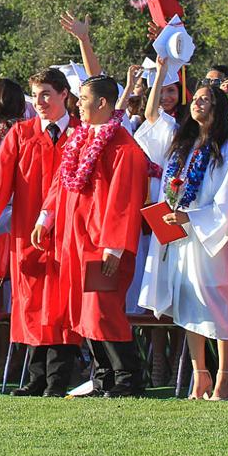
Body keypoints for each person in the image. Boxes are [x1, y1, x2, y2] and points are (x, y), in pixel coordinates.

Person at [0, 68, 82, 398]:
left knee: (61, 304)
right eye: (36, 95)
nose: (40, 101)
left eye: (47, 93)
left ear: (65, 94)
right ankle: (35, 379)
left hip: (67, 232)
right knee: (31, 302)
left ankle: (58, 379)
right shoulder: (22, 134)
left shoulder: (81, 134)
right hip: (26, 230)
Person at [35, 75, 149, 397]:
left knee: (103, 308)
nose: (77, 104)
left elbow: (124, 199)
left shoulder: (123, 147)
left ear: (101, 103)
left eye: (83, 99)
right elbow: (62, 182)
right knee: (83, 310)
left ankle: (128, 377)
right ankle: (103, 378)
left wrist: (114, 247)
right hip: (75, 239)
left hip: (102, 243)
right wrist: (46, 217)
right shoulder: (79, 141)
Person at [135, 59, 228, 400]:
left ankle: (224, 374)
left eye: (205, 100)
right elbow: (151, 118)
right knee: (188, 305)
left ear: (217, 108)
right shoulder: (180, 146)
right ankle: (200, 375)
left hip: (208, 240)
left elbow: (226, 204)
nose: (197, 103)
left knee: (214, 304)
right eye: (195, 100)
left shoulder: (225, 152)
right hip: (179, 239)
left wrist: (191, 219)